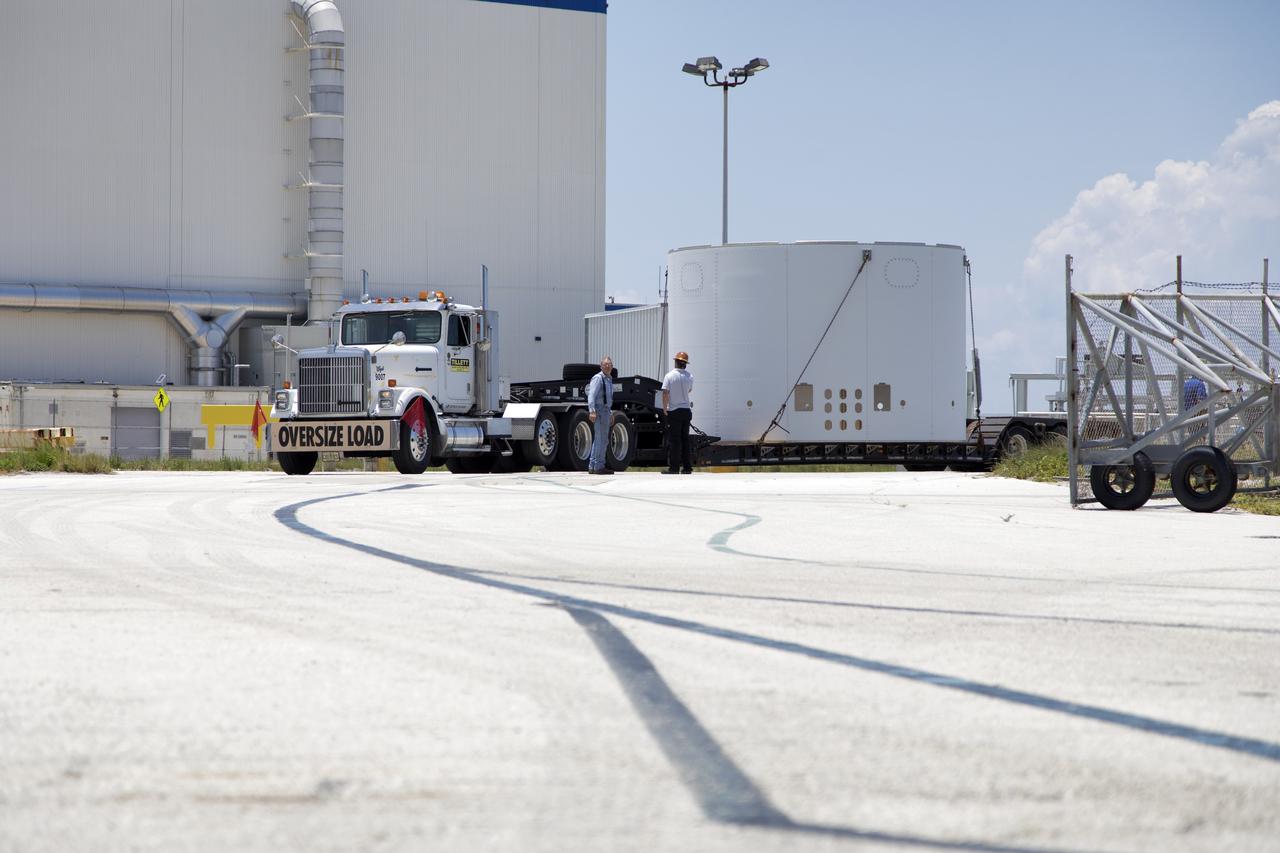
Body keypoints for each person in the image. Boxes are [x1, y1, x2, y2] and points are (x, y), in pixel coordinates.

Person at [661, 351, 694, 474]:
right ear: (685, 364)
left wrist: (665, 408)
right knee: (685, 440)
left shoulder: (669, 376)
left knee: (675, 441)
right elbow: (689, 390)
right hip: (686, 410)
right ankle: (687, 467)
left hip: (674, 411)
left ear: (675, 362)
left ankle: (674, 468)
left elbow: (665, 393)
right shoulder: (690, 376)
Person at [586, 356, 614, 475]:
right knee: (601, 439)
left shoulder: (608, 379)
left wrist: (610, 413)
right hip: (598, 411)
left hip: (605, 411)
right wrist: (592, 410)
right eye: (605, 364)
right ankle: (599, 466)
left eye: (610, 364)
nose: (608, 366)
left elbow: (608, 398)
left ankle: (593, 466)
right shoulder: (598, 378)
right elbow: (591, 395)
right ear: (601, 366)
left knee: (601, 439)